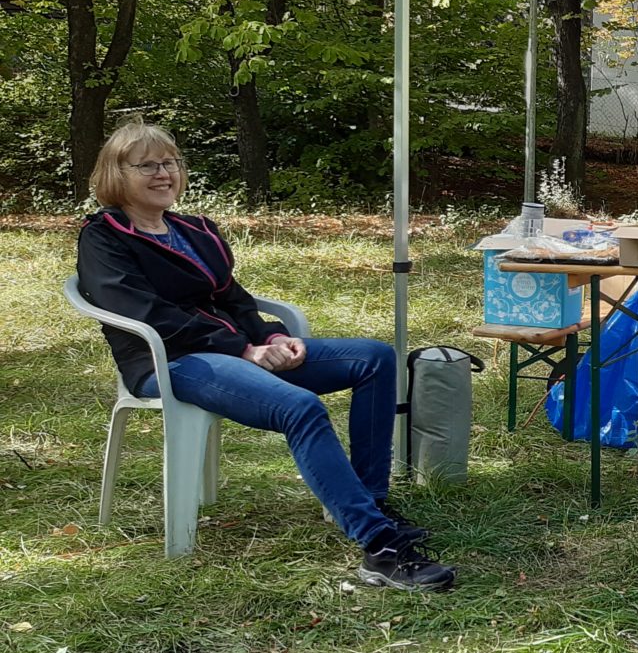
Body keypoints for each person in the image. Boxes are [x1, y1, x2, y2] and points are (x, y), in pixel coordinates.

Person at [76, 123, 454, 591]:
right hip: (168, 361)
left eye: (170, 162)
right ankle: (380, 547)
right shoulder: (104, 236)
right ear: (117, 174)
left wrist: (272, 337)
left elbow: (233, 299)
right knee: (300, 407)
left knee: (374, 358)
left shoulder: (194, 230)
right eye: (147, 165)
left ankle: (370, 501)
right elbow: (147, 313)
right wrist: (243, 348)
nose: (163, 173)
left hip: (233, 350)